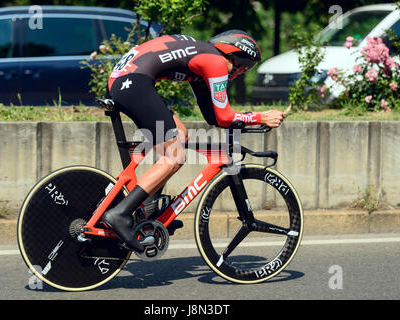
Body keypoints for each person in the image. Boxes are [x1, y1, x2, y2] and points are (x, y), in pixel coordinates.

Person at [103, 30, 286, 252]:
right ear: (235, 56)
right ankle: (120, 214)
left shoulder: (202, 60)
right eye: (245, 67)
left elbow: (213, 116)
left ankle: (148, 208)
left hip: (126, 81)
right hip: (132, 83)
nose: (240, 74)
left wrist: (244, 119)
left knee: (180, 134)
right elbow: (224, 116)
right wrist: (261, 117)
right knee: (175, 156)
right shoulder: (216, 62)